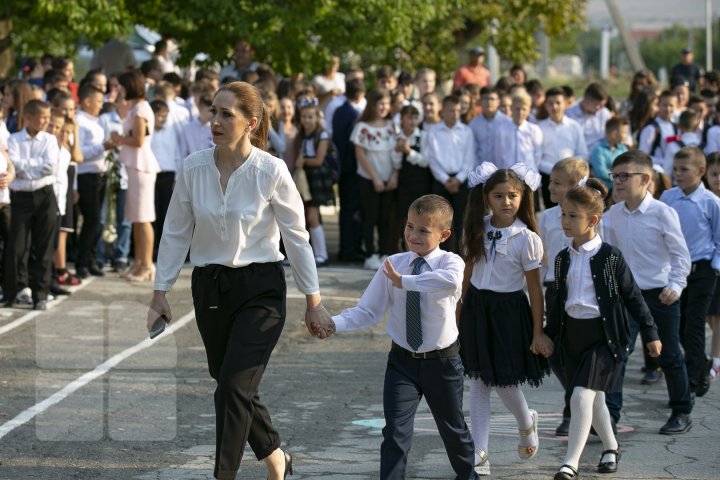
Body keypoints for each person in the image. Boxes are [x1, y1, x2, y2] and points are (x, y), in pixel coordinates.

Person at [148, 80, 334, 480]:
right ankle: (276, 457)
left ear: (250, 122)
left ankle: (223, 475)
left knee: (232, 387)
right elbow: (175, 231)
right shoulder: (193, 166)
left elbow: (298, 237)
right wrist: (159, 292)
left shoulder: (272, 170)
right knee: (232, 384)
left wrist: (313, 301)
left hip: (261, 290)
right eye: (213, 111)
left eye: (225, 114)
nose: (214, 120)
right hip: (209, 287)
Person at [329, 194, 479, 480]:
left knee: (453, 430)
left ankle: (469, 476)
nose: (413, 234)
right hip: (402, 363)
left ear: (444, 235)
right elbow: (368, 311)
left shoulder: (451, 262)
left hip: (442, 364)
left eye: (423, 230)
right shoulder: (394, 263)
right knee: (395, 432)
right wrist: (333, 324)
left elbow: (448, 283)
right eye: (410, 226)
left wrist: (406, 282)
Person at [545, 178, 662, 480]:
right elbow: (556, 299)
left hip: (604, 338)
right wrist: (545, 334)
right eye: (563, 214)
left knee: (581, 396)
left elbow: (633, 297)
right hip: (572, 336)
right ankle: (611, 446)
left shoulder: (611, 257)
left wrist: (651, 333)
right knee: (594, 399)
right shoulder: (561, 259)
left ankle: (570, 462)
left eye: (573, 216)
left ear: (593, 220)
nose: (566, 221)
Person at [459, 162, 552, 476]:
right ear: (487, 197)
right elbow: (467, 274)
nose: (506, 202)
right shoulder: (477, 227)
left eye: (512, 195)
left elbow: (535, 290)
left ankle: (526, 422)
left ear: (522, 196)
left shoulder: (526, 238)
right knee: (479, 380)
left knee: (502, 378)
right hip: (477, 308)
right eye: (498, 196)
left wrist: (538, 331)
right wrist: (457, 314)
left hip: (509, 312)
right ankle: (479, 452)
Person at [603, 150, 694, 434]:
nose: (618, 182)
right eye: (614, 176)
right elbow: (608, 256)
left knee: (668, 355)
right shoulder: (613, 214)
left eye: (624, 176)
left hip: (660, 295)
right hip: (627, 297)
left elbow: (681, 256)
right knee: (619, 354)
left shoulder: (663, 213)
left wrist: (676, 285)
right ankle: (610, 418)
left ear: (645, 179)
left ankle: (681, 411)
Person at [661, 146, 720, 398]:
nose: (678, 174)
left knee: (694, 325)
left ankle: (693, 381)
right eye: (675, 169)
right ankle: (702, 362)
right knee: (680, 325)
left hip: (702, 270)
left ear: (701, 171)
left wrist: (714, 269)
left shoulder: (711, 202)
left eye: (684, 170)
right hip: (676, 270)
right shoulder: (668, 198)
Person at [538, 157, 590, 436]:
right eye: (550, 181)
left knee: (578, 350)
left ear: (573, 185)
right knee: (556, 351)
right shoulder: (546, 217)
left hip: (582, 288)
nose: (550, 187)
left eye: (556, 183)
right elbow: (541, 258)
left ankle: (575, 412)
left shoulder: (590, 214)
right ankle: (577, 400)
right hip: (554, 289)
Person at [4, 100, 58, 310]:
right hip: (21, 197)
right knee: (16, 246)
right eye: (41, 117)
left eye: (47, 117)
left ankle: (40, 295)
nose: (45, 122)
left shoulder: (50, 140)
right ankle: (10, 292)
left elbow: (50, 167)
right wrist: (32, 165)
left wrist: (26, 167)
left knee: (43, 246)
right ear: (28, 117)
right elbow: (14, 164)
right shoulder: (14, 139)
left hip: (45, 195)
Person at [111, 70, 160, 282]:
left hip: (142, 167)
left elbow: (139, 140)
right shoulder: (135, 108)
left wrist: (119, 138)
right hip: (135, 167)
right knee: (136, 218)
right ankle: (139, 262)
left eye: (121, 86)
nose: (119, 90)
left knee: (143, 219)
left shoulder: (141, 109)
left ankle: (147, 264)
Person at [350, 88, 398, 270]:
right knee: (370, 217)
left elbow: (397, 152)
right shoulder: (362, 127)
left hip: (389, 179)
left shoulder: (393, 125)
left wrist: (394, 174)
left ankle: (385, 252)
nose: (384, 107)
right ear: (373, 105)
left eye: (387, 103)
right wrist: (375, 178)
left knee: (385, 218)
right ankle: (370, 254)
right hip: (369, 179)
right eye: (380, 103)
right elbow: (360, 155)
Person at [76, 84, 115, 278]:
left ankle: (90, 259)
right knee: (91, 221)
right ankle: (81, 262)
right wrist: (103, 147)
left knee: (97, 221)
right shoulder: (79, 121)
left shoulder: (97, 121)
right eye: (99, 101)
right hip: (86, 175)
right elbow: (79, 153)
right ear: (87, 101)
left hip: (100, 174)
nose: (101, 105)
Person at [426, 95, 474, 253]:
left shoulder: (466, 131)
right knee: (440, 221)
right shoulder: (434, 132)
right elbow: (432, 159)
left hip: (461, 181)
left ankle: (460, 257)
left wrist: (458, 180)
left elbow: (469, 159)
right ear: (443, 111)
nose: (455, 114)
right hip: (441, 181)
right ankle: (441, 255)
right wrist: (445, 179)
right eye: (451, 110)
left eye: (458, 110)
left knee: (461, 221)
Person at [295, 103, 334, 266]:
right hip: (306, 177)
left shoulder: (322, 135)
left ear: (317, 118)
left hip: (317, 177)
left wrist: (303, 161)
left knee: (313, 215)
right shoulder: (302, 135)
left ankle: (321, 254)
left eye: (310, 117)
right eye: (304, 117)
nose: (307, 120)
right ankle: (315, 253)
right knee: (306, 215)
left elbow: (319, 160)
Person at [333, 78, 366, 263]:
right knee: (351, 210)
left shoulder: (340, 111)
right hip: (351, 167)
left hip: (345, 167)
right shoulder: (351, 113)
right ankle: (349, 249)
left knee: (348, 209)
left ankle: (349, 247)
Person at [537, 87, 588, 208]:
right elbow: (537, 157)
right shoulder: (539, 128)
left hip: (572, 178)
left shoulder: (574, 126)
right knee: (551, 212)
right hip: (548, 178)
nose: (554, 107)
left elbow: (582, 153)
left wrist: (572, 170)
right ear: (545, 105)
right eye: (550, 103)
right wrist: (556, 172)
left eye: (558, 103)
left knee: (573, 210)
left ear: (565, 104)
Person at [392, 105, 431, 251]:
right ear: (402, 119)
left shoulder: (423, 136)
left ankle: (422, 249)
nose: (412, 121)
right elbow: (396, 164)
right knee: (405, 219)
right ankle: (409, 251)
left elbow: (425, 161)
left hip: (421, 183)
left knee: (422, 218)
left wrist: (408, 152)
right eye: (409, 117)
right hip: (404, 184)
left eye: (415, 118)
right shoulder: (397, 137)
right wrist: (397, 151)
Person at [150, 100, 182, 260]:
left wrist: (177, 177)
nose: (163, 119)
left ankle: (164, 250)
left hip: (168, 176)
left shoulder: (171, 131)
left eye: (165, 116)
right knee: (152, 213)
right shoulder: (147, 132)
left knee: (165, 214)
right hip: (151, 176)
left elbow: (177, 155)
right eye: (160, 116)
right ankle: (152, 248)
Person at [493, 92, 543, 171]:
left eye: (524, 109)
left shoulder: (534, 130)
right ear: (512, 108)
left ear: (529, 110)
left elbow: (537, 155)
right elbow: (498, 156)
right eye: (517, 109)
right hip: (508, 174)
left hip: (528, 175)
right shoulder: (502, 130)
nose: (520, 112)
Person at [704, 152, 720, 382]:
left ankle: (715, 360)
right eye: (714, 174)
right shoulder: (705, 199)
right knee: (709, 315)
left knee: (717, 317)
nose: (718, 178)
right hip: (707, 266)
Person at [468, 87, 510, 167]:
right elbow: (472, 152)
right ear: (480, 101)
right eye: (485, 99)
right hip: (480, 171)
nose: (489, 102)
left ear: (498, 102)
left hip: (503, 171)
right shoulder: (473, 124)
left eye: (492, 99)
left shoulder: (507, 123)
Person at [566, 83, 613, 152]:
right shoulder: (569, 114)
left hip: (600, 155)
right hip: (577, 156)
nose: (601, 108)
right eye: (599, 105)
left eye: (603, 105)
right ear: (587, 100)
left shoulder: (604, 113)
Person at [637, 90, 677, 168]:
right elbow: (642, 156)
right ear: (658, 105)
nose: (668, 109)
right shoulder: (651, 128)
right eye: (664, 105)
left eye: (671, 105)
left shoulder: (674, 127)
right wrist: (665, 161)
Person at [589, 116, 630, 190]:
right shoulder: (599, 149)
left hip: (622, 187)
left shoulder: (623, 149)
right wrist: (619, 178)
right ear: (614, 134)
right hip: (604, 190)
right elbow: (601, 172)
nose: (626, 136)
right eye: (624, 133)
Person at [664, 110, 703, 176]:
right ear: (697, 126)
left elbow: (667, 171)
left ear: (679, 126)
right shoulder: (704, 147)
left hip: (677, 184)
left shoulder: (672, 145)